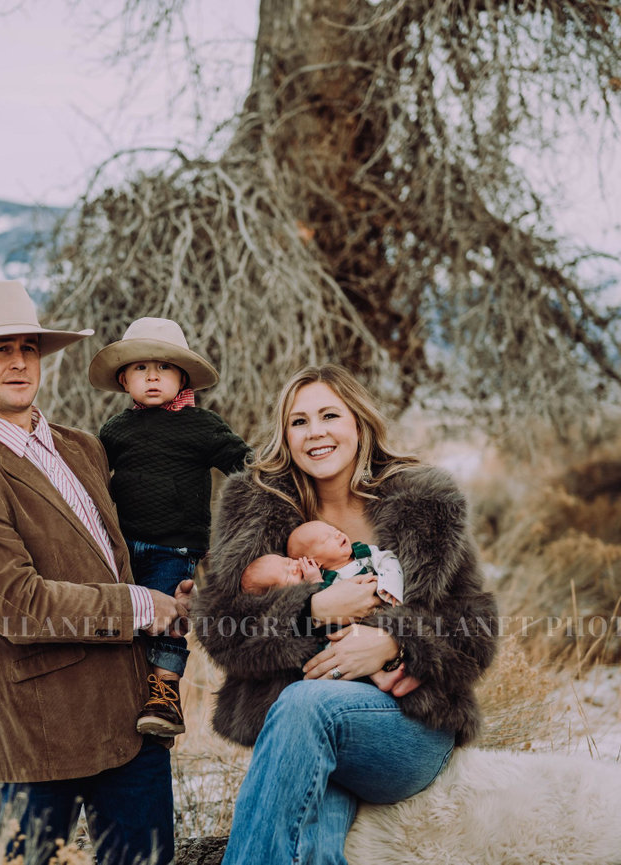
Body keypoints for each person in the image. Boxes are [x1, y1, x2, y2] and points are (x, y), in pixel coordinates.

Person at [0, 280, 192, 865]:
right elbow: (18, 605)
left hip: (131, 717)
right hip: (40, 734)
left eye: (29, 349)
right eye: (0, 349)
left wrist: (173, 583)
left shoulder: (83, 448)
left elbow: (113, 556)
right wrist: (143, 605)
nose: (18, 362)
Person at [192, 363, 498, 864]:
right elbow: (220, 627)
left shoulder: (423, 504)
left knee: (305, 704)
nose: (315, 433)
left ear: (358, 422)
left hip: (406, 728)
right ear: (284, 434)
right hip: (302, 733)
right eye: (299, 421)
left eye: (329, 415)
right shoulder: (257, 506)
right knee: (311, 837)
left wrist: (396, 641)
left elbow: (476, 632)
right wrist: (310, 607)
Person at [88, 317, 250, 739]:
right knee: (124, 621)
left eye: (164, 367)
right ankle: (115, 694)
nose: (153, 375)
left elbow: (243, 465)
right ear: (124, 380)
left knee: (170, 615)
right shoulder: (115, 431)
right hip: (120, 547)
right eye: (141, 368)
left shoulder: (201, 425)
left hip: (174, 546)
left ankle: (165, 695)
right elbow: (92, 480)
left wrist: (271, 485)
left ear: (183, 377)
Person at [287, 519, 404, 602]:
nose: (338, 534)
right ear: (314, 563)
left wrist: (389, 584)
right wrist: (315, 579)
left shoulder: (362, 553)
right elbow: (324, 602)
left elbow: (388, 559)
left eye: (334, 530)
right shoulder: (327, 581)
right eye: (327, 538)